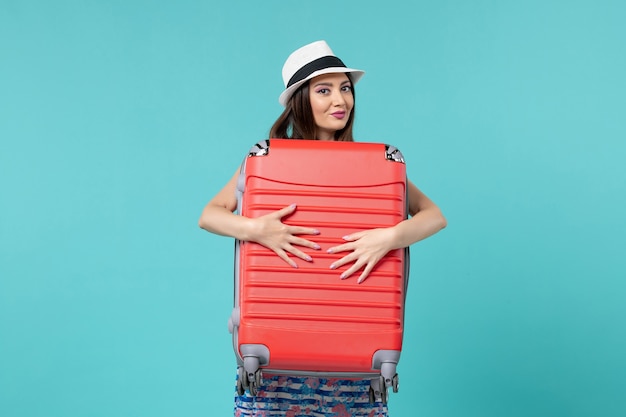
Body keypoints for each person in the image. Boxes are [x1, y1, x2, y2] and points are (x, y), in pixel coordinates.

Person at [199, 40, 446, 417]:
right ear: (301, 99)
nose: (340, 100)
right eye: (324, 90)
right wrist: (257, 229)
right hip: (274, 369)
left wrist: (389, 237)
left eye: (345, 88)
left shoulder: (376, 164)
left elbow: (433, 216)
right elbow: (210, 214)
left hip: (356, 370)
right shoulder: (268, 158)